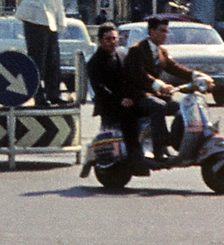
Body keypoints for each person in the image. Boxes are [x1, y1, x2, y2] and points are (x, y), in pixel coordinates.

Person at [124, 16, 209, 166]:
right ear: (151, 31)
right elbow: (139, 75)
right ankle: (159, 150)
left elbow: (175, 68)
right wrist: (159, 85)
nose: (165, 35)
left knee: (182, 107)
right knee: (159, 106)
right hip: (136, 95)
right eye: (162, 31)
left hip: (153, 94)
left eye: (166, 31)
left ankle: (175, 140)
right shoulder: (136, 50)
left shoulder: (162, 51)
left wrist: (196, 75)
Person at [87, 24, 147, 173]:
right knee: (129, 120)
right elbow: (100, 89)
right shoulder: (95, 62)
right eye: (108, 39)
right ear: (100, 40)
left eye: (114, 38)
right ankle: (135, 159)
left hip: (124, 100)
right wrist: (120, 100)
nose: (112, 42)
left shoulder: (120, 56)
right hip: (109, 104)